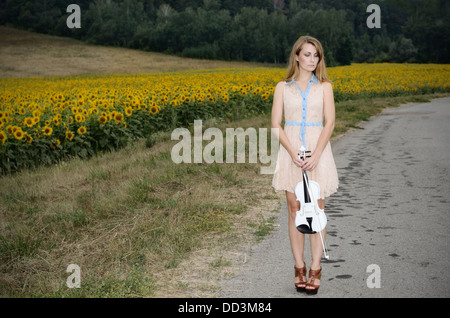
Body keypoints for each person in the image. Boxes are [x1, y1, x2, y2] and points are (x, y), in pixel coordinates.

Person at [271, 35, 339, 294]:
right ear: (297, 56)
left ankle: (315, 268)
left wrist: (316, 155)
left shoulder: (325, 87)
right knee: (294, 209)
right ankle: (298, 267)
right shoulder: (282, 87)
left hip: (317, 151)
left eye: (316, 55)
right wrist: (291, 153)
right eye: (307, 54)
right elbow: (276, 124)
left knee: (315, 210)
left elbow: (329, 123)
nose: (312, 59)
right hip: (290, 151)